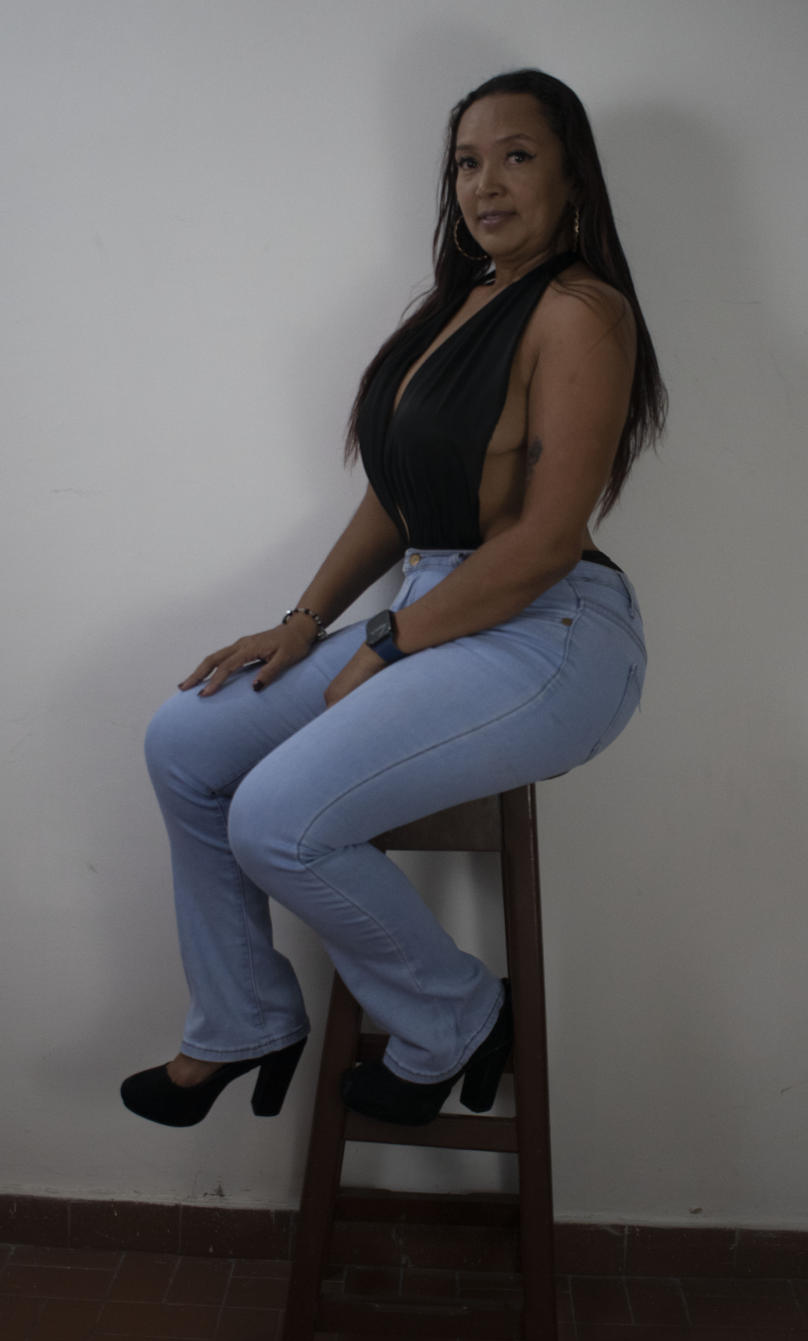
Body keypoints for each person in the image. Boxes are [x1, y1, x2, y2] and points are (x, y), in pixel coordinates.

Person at [121, 68, 666, 1130]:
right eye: (466, 162)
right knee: (183, 739)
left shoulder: (579, 312)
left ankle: (459, 1015)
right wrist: (304, 623)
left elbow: (546, 541)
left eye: (516, 157)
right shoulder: (456, 308)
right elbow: (396, 493)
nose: (484, 184)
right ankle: (243, 1018)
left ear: (571, 179)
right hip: (438, 610)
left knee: (275, 819)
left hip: (546, 632)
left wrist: (389, 639)